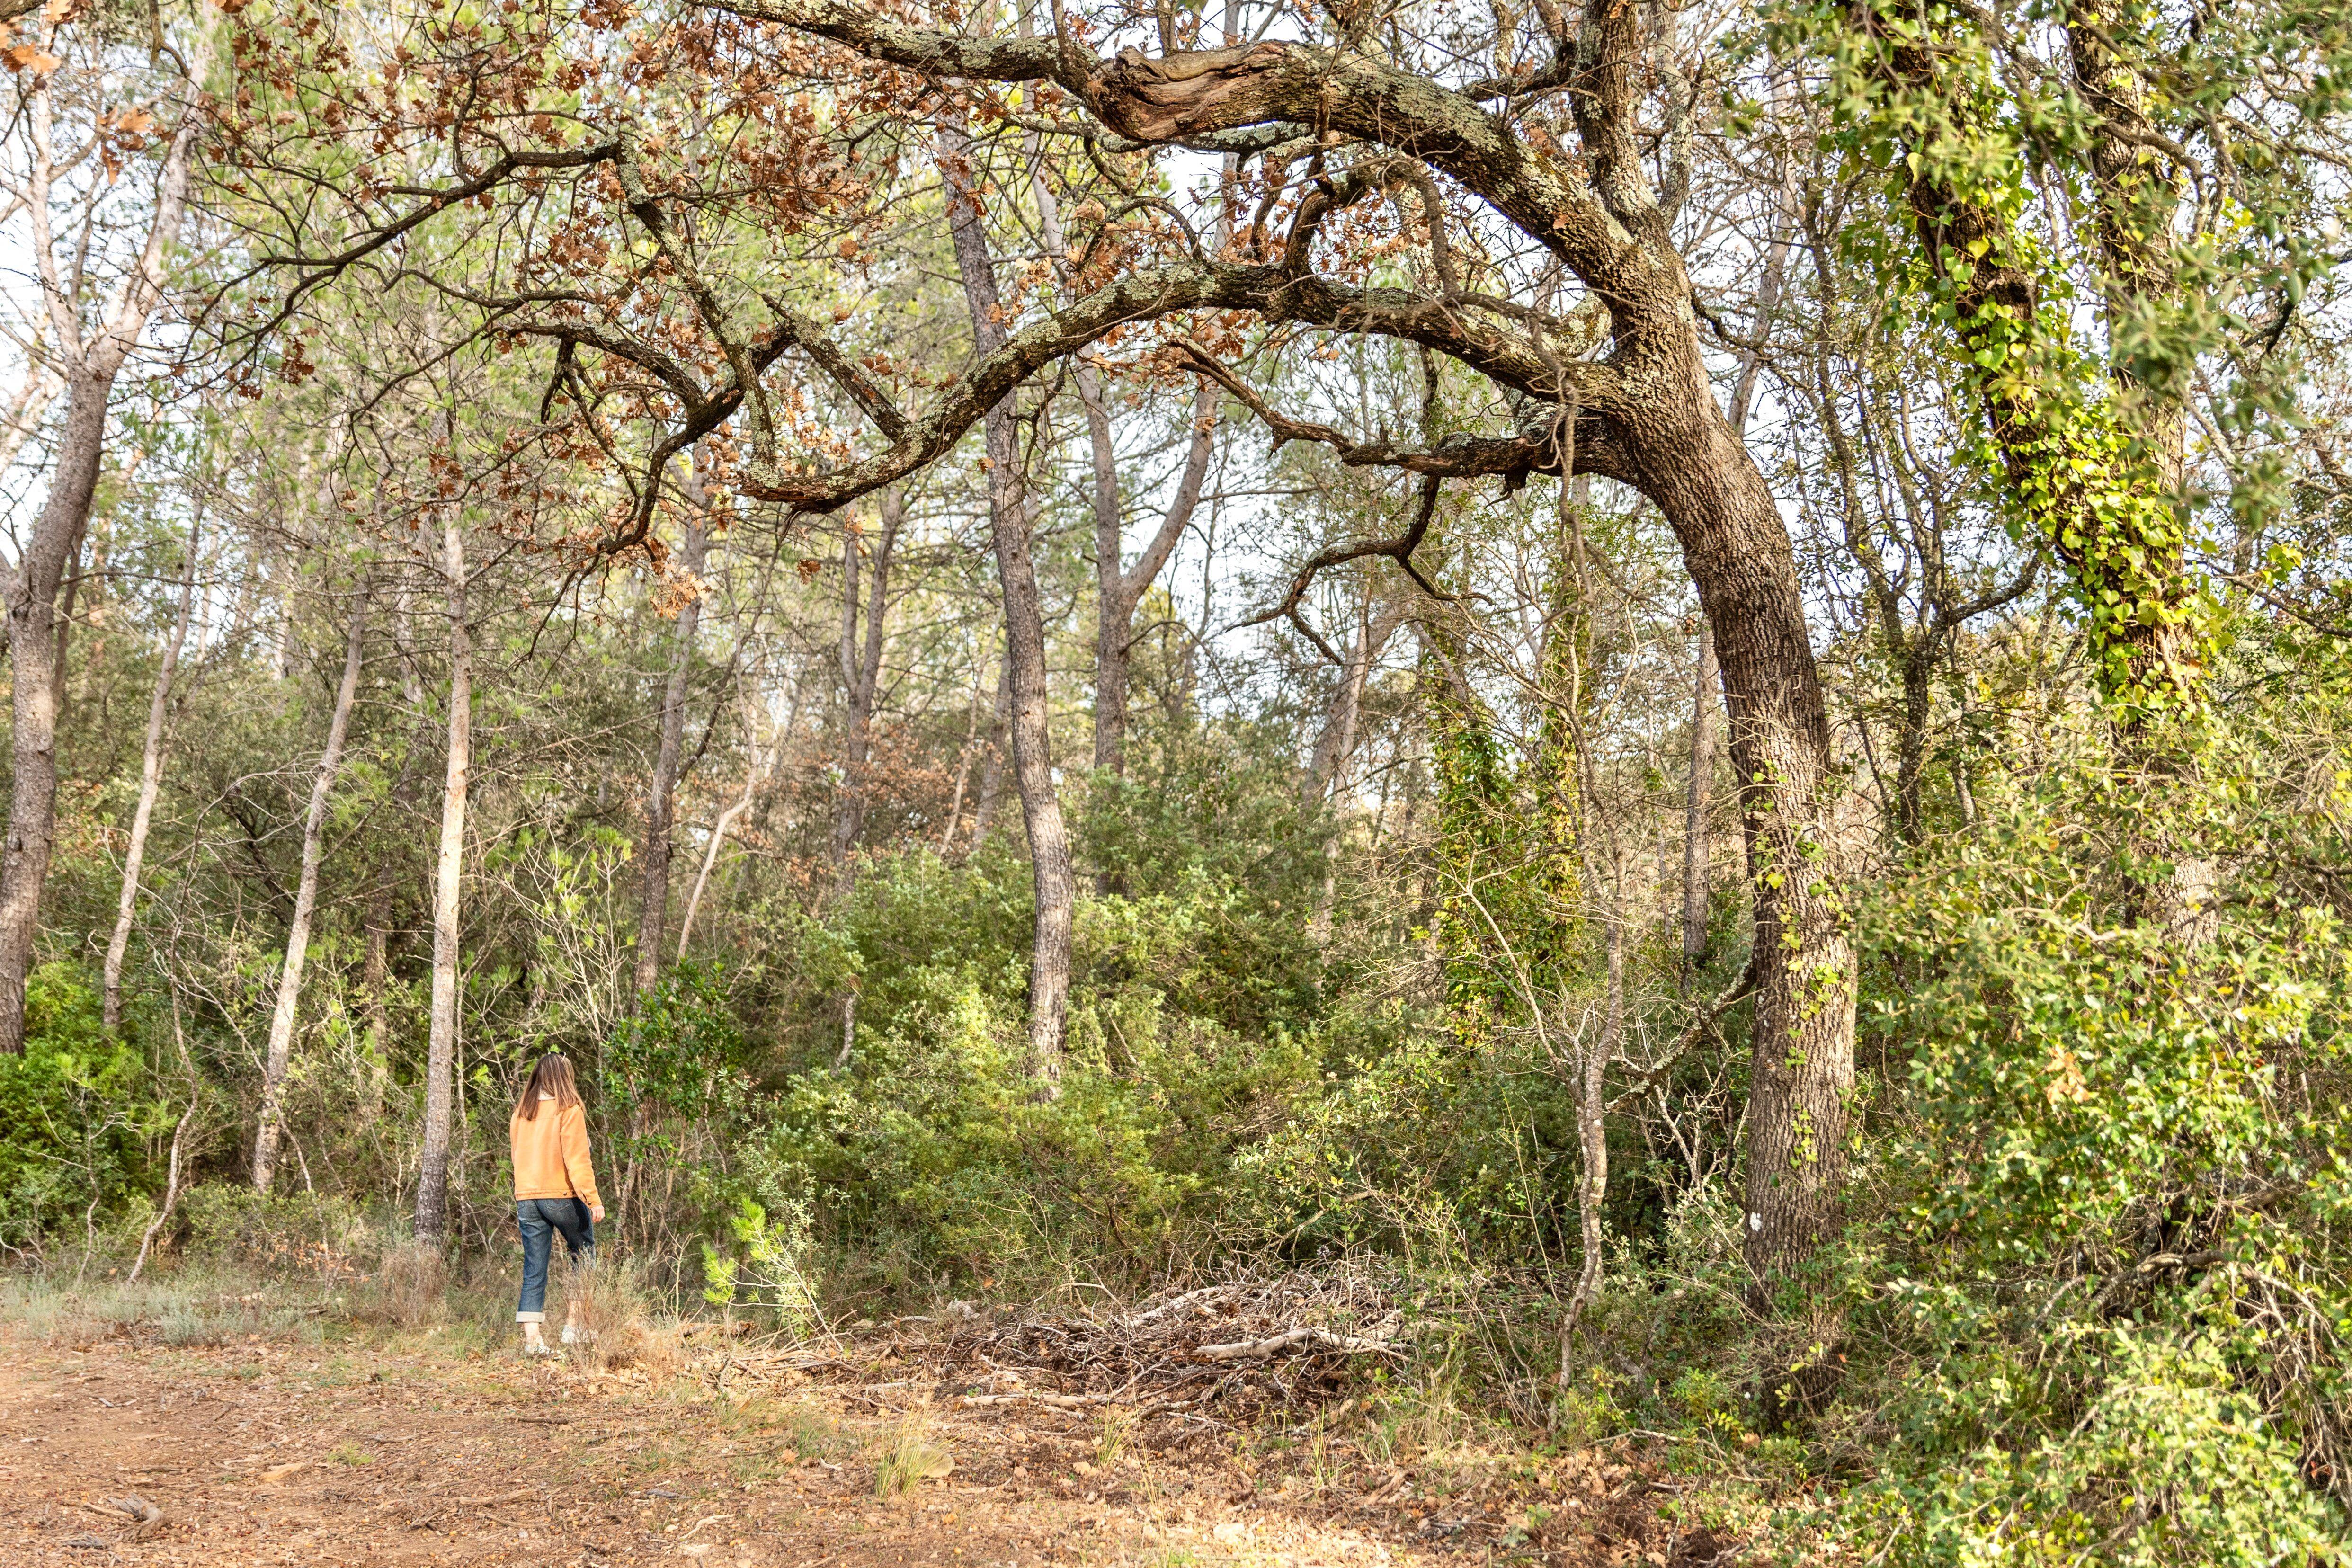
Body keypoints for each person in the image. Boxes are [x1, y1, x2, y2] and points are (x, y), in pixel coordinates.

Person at [509, 1053, 606, 1356]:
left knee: (534, 1268)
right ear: (564, 1077)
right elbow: (577, 1160)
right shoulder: (569, 1110)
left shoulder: (520, 1114)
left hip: (527, 1198)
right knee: (584, 1253)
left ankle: (533, 1342)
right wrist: (593, 1199)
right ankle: (574, 1328)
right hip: (561, 1195)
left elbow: (517, 1157)